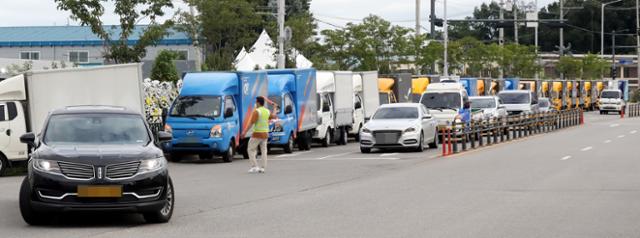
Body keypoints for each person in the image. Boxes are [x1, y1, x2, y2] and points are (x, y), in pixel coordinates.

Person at [247, 96, 277, 173]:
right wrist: (275, 108)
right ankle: (263, 168)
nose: (255, 103)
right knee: (264, 151)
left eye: (256, 102)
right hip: (265, 134)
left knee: (251, 149)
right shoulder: (267, 111)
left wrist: (244, 132)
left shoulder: (257, 111)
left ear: (258, 103)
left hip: (257, 134)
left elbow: (251, 123)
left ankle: (254, 166)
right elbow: (274, 116)